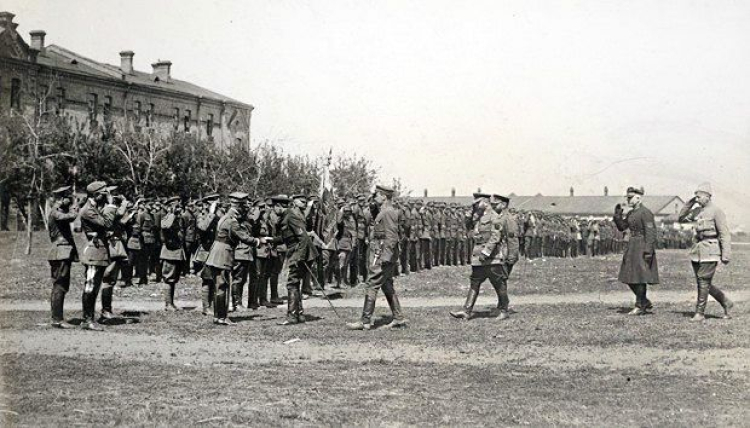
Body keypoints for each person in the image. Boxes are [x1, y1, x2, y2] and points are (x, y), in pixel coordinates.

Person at [346, 185, 408, 330]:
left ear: (384, 196)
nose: (375, 197)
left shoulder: (387, 212)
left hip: (383, 254)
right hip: (383, 252)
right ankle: (398, 318)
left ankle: (365, 321)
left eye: (377, 195)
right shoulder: (383, 211)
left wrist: (386, 256)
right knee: (386, 284)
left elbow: (392, 236)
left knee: (372, 284)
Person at [450, 193, 513, 321]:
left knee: (498, 284)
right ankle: (466, 311)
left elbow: (496, 237)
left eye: (477, 203)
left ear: (485, 202)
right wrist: (470, 213)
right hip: (478, 257)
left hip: (492, 258)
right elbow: (468, 227)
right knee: (474, 283)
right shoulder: (478, 217)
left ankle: (504, 310)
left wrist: (486, 252)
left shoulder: (495, 217)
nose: (475, 205)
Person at [205, 192, 263, 325]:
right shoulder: (232, 222)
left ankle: (217, 316)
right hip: (224, 254)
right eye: (244, 206)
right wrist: (259, 241)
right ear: (239, 207)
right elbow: (244, 237)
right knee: (223, 285)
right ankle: (222, 317)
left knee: (219, 285)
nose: (245, 209)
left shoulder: (225, 217)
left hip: (216, 252)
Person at [678, 183, 733, 321]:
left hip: (711, 249)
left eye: (699, 196)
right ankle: (726, 302)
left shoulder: (716, 211)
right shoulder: (697, 211)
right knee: (702, 281)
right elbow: (681, 217)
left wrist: (726, 254)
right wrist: (690, 202)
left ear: (708, 196)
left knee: (703, 280)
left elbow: (724, 233)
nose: (697, 198)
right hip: (698, 250)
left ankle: (700, 313)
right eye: (695, 196)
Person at [79, 181, 127, 331]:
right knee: (90, 287)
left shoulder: (95, 208)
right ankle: (87, 320)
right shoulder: (88, 210)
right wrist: (112, 206)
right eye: (104, 194)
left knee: (95, 287)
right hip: (94, 253)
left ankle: (89, 319)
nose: (107, 197)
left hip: (100, 252)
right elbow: (105, 224)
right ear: (96, 195)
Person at [269, 194, 319, 325]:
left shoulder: (290, 216)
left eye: (274, 207)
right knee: (295, 283)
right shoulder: (287, 216)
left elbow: (302, 238)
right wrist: (272, 240)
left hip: (301, 252)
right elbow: (288, 237)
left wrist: (299, 257)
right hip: (299, 251)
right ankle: (299, 314)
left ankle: (292, 316)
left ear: (279, 206)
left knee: (292, 283)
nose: (273, 210)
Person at [613, 186, 659, 315]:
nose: (628, 200)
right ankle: (644, 301)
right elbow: (623, 227)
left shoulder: (646, 213)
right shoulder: (631, 213)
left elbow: (650, 232)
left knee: (639, 277)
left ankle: (640, 305)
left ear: (638, 198)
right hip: (632, 246)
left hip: (642, 246)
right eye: (627, 198)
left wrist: (648, 250)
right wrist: (617, 216)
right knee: (628, 275)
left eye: (630, 198)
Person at [46, 186, 80, 329]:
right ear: (62, 198)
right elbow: (70, 217)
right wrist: (76, 206)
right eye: (68, 198)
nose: (70, 201)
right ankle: (57, 319)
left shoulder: (58, 210)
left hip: (62, 251)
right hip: (61, 251)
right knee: (60, 285)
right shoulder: (56, 211)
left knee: (61, 285)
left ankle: (57, 317)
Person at [160, 196, 186, 311]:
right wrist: (172, 213)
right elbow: (166, 226)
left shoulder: (177, 217)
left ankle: (171, 303)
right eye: (176, 205)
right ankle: (168, 304)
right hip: (169, 252)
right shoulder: (166, 216)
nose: (179, 208)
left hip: (177, 251)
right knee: (168, 278)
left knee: (173, 279)